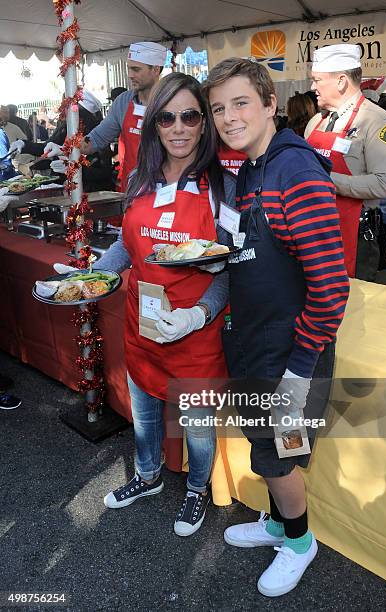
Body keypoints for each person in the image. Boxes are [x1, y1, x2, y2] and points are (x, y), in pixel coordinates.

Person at [204, 58, 349, 597]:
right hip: (254, 344)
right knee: (265, 447)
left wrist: (298, 370)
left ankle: (300, 542)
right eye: (219, 108)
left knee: (281, 454)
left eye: (240, 103)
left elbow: (332, 288)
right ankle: (277, 524)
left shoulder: (296, 171)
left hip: (291, 358)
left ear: (270, 104)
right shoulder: (253, 168)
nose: (227, 117)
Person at [86, 72, 235, 536]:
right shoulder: (139, 178)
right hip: (142, 321)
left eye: (190, 115)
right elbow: (128, 247)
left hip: (195, 329)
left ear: (204, 122)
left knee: (196, 425)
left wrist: (198, 314)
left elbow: (230, 269)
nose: (178, 127)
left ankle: (196, 490)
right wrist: (93, 276)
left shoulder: (222, 186)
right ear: (154, 124)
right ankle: (147, 475)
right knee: (145, 414)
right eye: (166, 117)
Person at [304, 43, 386, 281]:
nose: (312, 87)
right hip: (313, 234)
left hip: (354, 236)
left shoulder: (377, 122)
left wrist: (327, 180)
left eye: (317, 80)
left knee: (351, 310)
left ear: (341, 81)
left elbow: (384, 184)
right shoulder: (315, 122)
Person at [79, 42, 167, 192]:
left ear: (155, 69)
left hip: (167, 191)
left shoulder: (172, 100)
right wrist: (68, 149)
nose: (130, 75)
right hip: (133, 190)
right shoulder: (123, 102)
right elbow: (98, 138)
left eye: (136, 69)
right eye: (129, 68)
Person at [9, 92, 114, 193]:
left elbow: (104, 172)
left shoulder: (97, 136)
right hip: (63, 188)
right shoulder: (65, 128)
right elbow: (46, 148)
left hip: (90, 192)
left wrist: (74, 169)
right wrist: (23, 145)